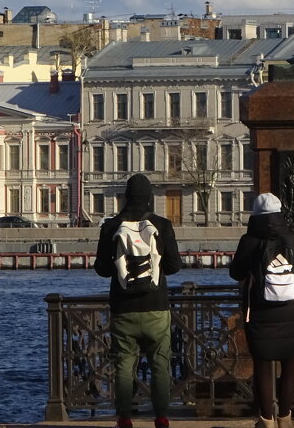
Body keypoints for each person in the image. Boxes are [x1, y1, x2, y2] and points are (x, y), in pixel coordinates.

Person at [95, 173, 183, 428]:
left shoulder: (111, 227)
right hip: (156, 307)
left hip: (123, 309)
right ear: (149, 198)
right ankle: (162, 417)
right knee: (160, 363)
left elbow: (101, 269)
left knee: (124, 364)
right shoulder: (162, 225)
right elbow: (175, 266)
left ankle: (124, 418)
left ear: (126, 196)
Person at [230, 193, 294, 428]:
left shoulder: (249, 240)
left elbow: (236, 272)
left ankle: (266, 420)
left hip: (261, 311)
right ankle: (285, 417)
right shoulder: (290, 237)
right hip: (292, 310)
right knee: (289, 365)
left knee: (262, 365)